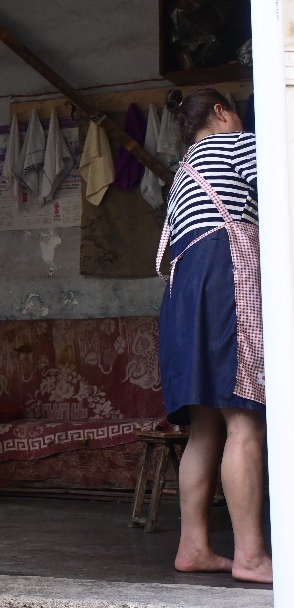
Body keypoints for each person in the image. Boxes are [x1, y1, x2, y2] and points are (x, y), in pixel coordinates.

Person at [158, 87, 272, 584]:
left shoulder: (183, 170)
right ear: (221, 112)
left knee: (205, 427)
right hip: (225, 280)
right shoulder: (236, 143)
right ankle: (251, 556)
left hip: (183, 292)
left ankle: (194, 547)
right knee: (244, 420)